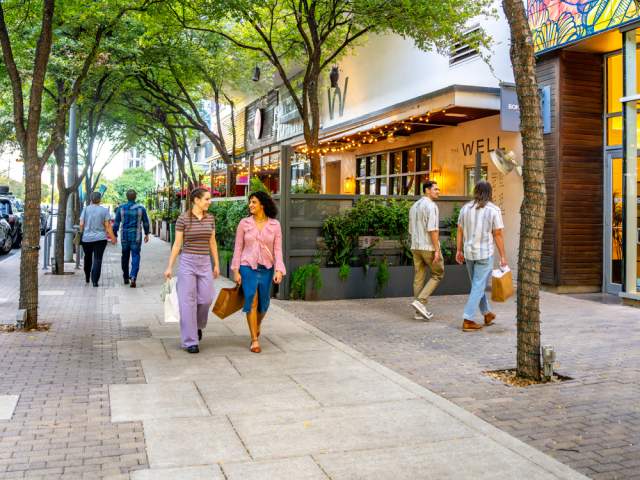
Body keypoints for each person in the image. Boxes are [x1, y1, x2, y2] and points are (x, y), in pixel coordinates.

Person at [164, 188, 220, 354]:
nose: (209, 202)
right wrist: (169, 267)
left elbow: (213, 243)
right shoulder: (183, 219)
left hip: (204, 262)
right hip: (187, 261)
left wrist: (216, 264)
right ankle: (190, 341)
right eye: (207, 199)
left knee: (206, 298)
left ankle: (197, 325)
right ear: (196, 200)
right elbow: (177, 244)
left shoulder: (210, 218)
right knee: (187, 301)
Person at [231, 191, 285, 353]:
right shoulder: (244, 223)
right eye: (250, 202)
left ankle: (257, 324)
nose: (250, 205)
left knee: (264, 304)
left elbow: (278, 250)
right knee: (251, 299)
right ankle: (254, 340)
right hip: (247, 267)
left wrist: (279, 270)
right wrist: (236, 270)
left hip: (267, 268)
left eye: (253, 202)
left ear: (262, 204)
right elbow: (238, 248)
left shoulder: (275, 225)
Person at [456, 181, 508, 332]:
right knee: (478, 286)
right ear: (489, 192)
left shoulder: (466, 208)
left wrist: (458, 250)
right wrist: (503, 256)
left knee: (477, 286)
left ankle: (487, 314)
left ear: (475, 191)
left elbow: (460, 230)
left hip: (469, 253)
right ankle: (468, 319)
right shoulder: (493, 209)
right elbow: (497, 234)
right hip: (484, 253)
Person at [408, 181, 444, 320]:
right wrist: (437, 249)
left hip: (415, 246)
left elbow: (411, 230)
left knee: (419, 277)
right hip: (428, 247)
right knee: (438, 274)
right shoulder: (431, 206)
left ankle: (418, 313)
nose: (438, 191)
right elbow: (433, 229)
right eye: (436, 189)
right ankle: (420, 302)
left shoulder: (414, 206)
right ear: (427, 190)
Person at [113, 189, 150, 288]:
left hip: (124, 236)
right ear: (135, 197)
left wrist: (114, 235)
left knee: (124, 256)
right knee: (135, 256)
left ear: (126, 197)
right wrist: (147, 233)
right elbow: (146, 222)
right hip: (136, 236)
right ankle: (133, 277)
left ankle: (125, 277)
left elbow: (116, 223)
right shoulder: (141, 209)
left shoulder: (121, 208)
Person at [80, 192, 116, 287]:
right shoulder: (104, 211)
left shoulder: (85, 209)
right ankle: (95, 281)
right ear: (100, 199)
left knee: (87, 258)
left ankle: (87, 277)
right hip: (100, 239)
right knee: (98, 259)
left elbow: (81, 224)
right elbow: (108, 226)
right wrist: (113, 238)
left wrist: (82, 232)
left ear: (91, 199)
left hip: (86, 239)